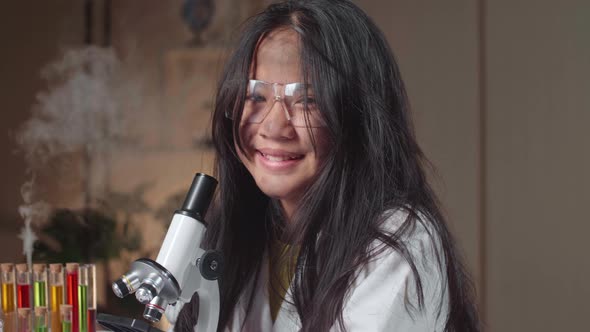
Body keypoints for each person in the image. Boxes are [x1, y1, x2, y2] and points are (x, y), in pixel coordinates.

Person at [174, 0, 480, 331]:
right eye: (256, 96)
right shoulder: (240, 233)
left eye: (308, 100)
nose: (274, 127)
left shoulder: (397, 242)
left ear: (359, 115)